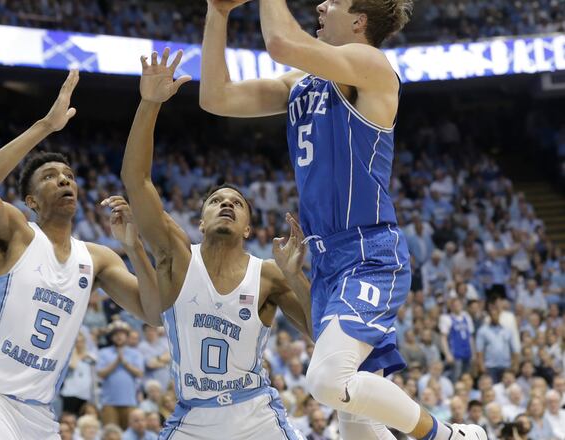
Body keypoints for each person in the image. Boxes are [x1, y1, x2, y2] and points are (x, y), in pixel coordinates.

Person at [199, 0, 487, 438]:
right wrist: (217, 13)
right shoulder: (302, 82)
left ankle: (450, 435)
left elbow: (279, 42)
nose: (319, 5)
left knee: (325, 380)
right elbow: (216, 97)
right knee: (355, 424)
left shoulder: (370, 64)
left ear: (358, 20)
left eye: (332, 1)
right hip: (329, 262)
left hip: (369, 252)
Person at [0, 70, 159, 439]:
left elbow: (153, 313)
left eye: (69, 176)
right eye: (50, 176)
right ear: (30, 201)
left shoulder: (98, 258)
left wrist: (134, 247)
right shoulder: (14, 228)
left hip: (39, 412)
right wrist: (46, 125)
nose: (63, 180)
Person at [121, 48, 311, 440]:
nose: (227, 204)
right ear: (201, 221)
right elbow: (136, 180)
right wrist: (149, 104)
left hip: (255, 414)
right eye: (216, 201)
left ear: (247, 228)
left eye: (237, 203)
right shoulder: (175, 254)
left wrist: (296, 278)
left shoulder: (270, 274)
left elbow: (318, 331)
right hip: (193, 416)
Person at [97, 322, 144, 429]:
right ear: (112, 337)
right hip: (109, 402)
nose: (119, 336)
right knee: (110, 433)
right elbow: (100, 373)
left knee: (130, 433)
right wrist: (116, 361)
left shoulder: (135, 353)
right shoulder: (104, 352)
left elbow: (140, 373)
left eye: (122, 334)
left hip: (130, 401)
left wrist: (124, 362)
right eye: (116, 334)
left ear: (127, 336)